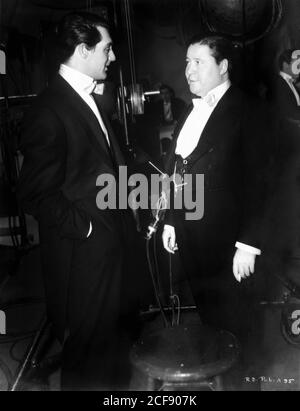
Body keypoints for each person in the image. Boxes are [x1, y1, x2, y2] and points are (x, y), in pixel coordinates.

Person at [17, 12, 137, 390]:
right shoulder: (49, 110)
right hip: (83, 258)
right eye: (107, 48)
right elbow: (35, 193)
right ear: (83, 51)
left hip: (110, 248)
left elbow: (98, 169)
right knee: (87, 360)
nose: (113, 57)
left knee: (113, 351)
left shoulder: (89, 100)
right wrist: (86, 228)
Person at [162, 36, 269, 377]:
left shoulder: (249, 109)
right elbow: (179, 170)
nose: (188, 70)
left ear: (223, 67)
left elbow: (263, 182)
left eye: (198, 62)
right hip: (195, 244)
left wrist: (249, 244)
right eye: (186, 62)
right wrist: (172, 222)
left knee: (241, 335)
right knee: (213, 329)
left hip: (232, 248)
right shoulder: (189, 111)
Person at [269, 49, 300, 120]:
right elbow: (290, 112)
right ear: (285, 65)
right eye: (298, 66)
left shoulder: (290, 81)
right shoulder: (279, 84)